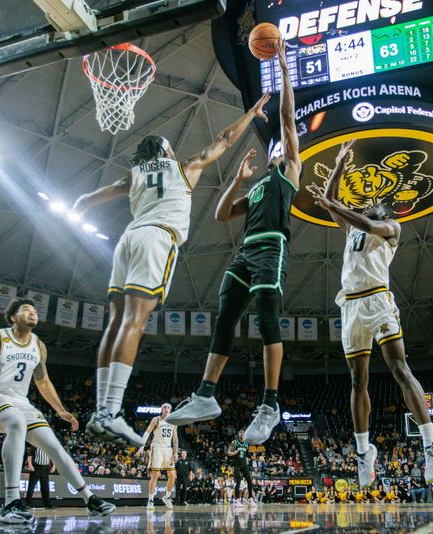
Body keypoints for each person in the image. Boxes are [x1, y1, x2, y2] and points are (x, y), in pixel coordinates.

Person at [73, 92, 271, 448]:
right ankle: (112, 412)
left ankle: (101, 410)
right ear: (165, 152)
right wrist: (251, 114)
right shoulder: (184, 166)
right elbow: (223, 141)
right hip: (157, 238)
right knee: (136, 321)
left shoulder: (133, 175)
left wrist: (81, 203)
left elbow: (98, 195)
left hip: (127, 241)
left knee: (116, 323)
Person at [167, 38, 302, 445]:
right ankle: (206, 395)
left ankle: (270, 404)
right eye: (275, 149)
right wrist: (237, 180)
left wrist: (282, 70)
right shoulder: (259, 185)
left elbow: (288, 118)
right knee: (224, 315)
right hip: (245, 251)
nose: (277, 149)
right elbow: (222, 214)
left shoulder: (290, 172)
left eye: (280, 147)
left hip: (271, 246)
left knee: (265, 314)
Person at [307, 138, 433, 488]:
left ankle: (430, 443)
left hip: (377, 299)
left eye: (374, 204)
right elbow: (334, 202)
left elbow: (360, 219)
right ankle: (363, 452)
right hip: (350, 305)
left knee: (399, 368)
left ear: (387, 211)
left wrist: (336, 205)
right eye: (366, 205)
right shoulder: (353, 228)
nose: (370, 204)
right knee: (358, 380)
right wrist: (339, 164)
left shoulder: (390, 228)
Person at [0, 297, 115, 524]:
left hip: (20, 402)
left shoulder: (38, 345)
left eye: (34, 310)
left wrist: (61, 410)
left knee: (54, 446)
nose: (33, 313)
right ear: (13, 317)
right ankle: (10, 502)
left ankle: (89, 498)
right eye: (26, 309)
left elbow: (43, 381)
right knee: (16, 423)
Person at [135, 403, 178, 509]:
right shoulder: (156, 419)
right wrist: (141, 446)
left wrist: (176, 452)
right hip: (157, 448)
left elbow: (175, 439)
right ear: (162, 410)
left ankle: (167, 497)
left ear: (170, 410)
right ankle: (150, 500)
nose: (166, 409)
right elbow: (147, 432)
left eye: (168, 407)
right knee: (155, 475)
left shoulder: (173, 422)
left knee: (173, 475)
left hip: (168, 449)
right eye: (164, 407)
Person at [228, 430, 256, 508]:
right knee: (239, 481)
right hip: (236, 465)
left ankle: (250, 498)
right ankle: (237, 500)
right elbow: (228, 452)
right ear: (238, 434)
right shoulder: (235, 442)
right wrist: (233, 453)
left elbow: (246, 454)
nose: (242, 434)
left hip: (244, 465)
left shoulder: (246, 444)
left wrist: (251, 457)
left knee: (249, 481)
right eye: (240, 432)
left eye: (243, 432)